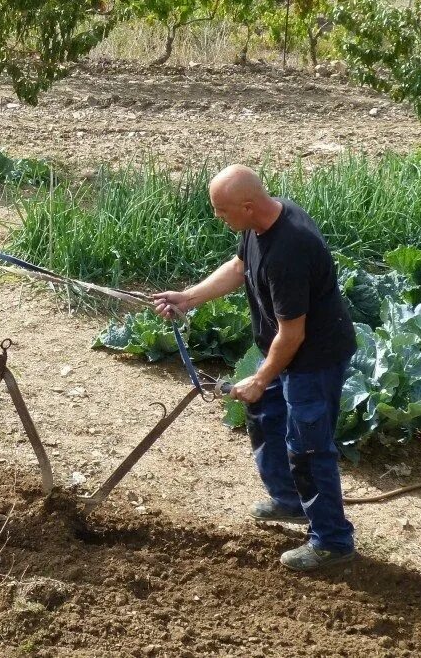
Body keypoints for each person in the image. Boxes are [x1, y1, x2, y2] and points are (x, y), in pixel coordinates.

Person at [153, 165, 357, 571]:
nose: (217, 217)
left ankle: (332, 541)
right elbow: (239, 266)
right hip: (283, 350)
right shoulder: (261, 223)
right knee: (264, 416)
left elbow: (293, 334)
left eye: (221, 210)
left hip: (312, 361)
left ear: (247, 206)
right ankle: (289, 500)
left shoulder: (289, 251)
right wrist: (188, 298)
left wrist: (261, 378)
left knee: (309, 448)